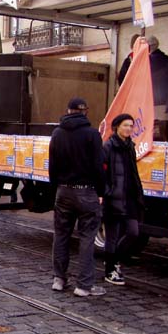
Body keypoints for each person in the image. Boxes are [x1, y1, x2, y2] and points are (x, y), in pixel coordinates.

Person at [49, 97, 106, 297]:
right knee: (87, 238)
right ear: (85, 112)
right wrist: (101, 191)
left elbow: (53, 165)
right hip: (86, 191)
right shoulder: (92, 134)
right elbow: (99, 166)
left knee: (61, 235)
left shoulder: (57, 133)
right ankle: (83, 285)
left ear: (68, 110)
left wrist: (55, 188)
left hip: (63, 190)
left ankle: (59, 278)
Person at [102, 114, 145, 286]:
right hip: (113, 198)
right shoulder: (108, 147)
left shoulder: (130, 146)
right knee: (111, 236)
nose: (129, 129)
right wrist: (107, 192)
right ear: (117, 127)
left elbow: (132, 173)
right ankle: (110, 270)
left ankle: (113, 260)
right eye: (125, 125)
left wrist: (138, 194)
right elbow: (101, 173)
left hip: (129, 198)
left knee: (133, 232)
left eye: (131, 126)